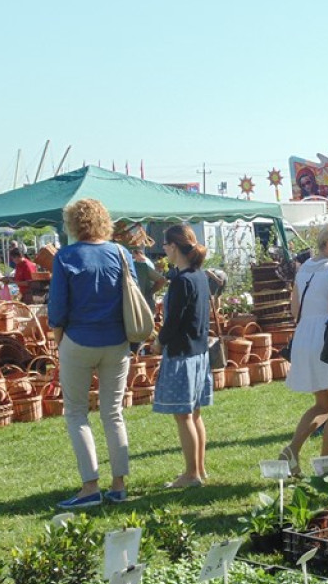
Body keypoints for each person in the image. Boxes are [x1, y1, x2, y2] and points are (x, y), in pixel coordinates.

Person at [48, 198, 135, 509]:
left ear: (73, 223)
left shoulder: (66, 256)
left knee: (76, 413)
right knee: (113, 413)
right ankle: (119, 485)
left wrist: (61, 343)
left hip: (79, 340)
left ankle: (89, 488)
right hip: (117, 342)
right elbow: (133, 297)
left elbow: (57, 309)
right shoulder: (122, 254)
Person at [282, 222, 328, 474]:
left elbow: (294, 309)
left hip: (305, 337)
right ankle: (326, 465)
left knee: (322, 404)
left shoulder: (304, 269)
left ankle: (291, 451)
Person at [152, 225, 212, 489]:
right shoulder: (199, 275)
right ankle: (198, 469)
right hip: (199, 352)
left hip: (182, 354)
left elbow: (173, 320)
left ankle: (190, 475)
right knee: (194, 415)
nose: (164, 250)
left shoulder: (181, 280)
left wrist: (158, 342)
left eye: (165, 245)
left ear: (174, 247)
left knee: (184, 416)